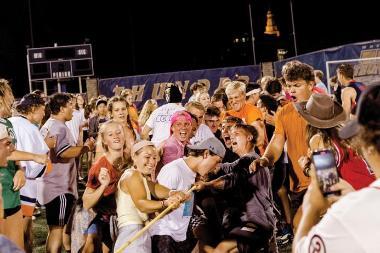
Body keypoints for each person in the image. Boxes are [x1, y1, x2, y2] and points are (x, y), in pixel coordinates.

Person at [293, 82, 380, 253]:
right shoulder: (348, 135)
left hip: (360, 201)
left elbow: (326, 181)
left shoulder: (319, 140)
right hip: (369, 190)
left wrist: (306, 167)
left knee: (298, 223)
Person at [250, 60, 315, 232]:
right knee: (302, 231)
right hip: (297, 184)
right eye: (289, 85)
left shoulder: (325, 106)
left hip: (321, 180)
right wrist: (265, 160)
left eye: (297, 85)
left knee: (303, 228)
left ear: (311, 84)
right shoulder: (284, 112)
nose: (291, 90)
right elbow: (277, 143)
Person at [38, 93, 95, 253]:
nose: (73, 109)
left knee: (56, 230)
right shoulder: (59, 127)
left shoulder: (49, 124)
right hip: (59, 188)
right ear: (62, 108)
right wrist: (86, 147)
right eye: (70, 106)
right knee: (57, 231)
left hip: (50, 185)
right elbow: (64, 152)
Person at [151, 137, 225, 253]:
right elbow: (155, 212)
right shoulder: (174, 170)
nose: (216, 168)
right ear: (206, 154)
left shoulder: (191, 173)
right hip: (164, 236)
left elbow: (185, 211)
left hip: (181, 236)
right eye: (217, 161)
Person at [114, 141, 186, 253]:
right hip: (132, 233)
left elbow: (156, 188)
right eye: (147, 157)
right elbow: (142, 204)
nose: (152, 162)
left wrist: (173, 195)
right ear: (134, 156)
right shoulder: (132, 175)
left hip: (140, 233)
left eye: (154, 158)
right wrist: (166, 203)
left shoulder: (142, 178)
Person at [295, 93, 375, 190]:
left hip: (357, 195)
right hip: (373, 187)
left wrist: (306, 168)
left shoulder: (318, 140)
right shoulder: (346, 131)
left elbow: (328, 183)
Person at [9, 94, 52, 253]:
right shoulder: (31, 128)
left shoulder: (9, 122)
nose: (43, 114)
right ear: (32, 109)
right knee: (25, 233)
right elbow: (38, 166)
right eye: (42, 110)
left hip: (8, 183)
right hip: (25, 185)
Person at [81, 121, 126, 253]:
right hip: (105, 219)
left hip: (125, 217)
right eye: (111, 134)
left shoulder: (130, 159)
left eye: (118, 132)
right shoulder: (100, 166)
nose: (116, 136)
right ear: (105, 141)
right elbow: (86, 202)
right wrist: (103, 186)